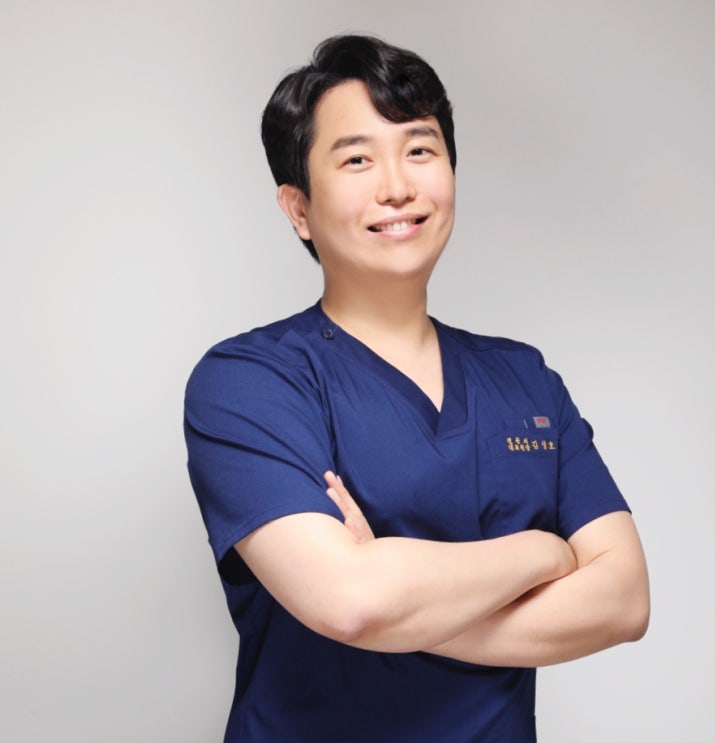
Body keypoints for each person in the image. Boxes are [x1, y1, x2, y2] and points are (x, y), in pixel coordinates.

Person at [184, 34, 650, 742]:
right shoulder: (250, 382)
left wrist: (401, 600)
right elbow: (351, 602)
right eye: (357, 159)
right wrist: (544, 552)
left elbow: (624, 599)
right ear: (298, 207)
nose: (397, 186)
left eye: (420, 149)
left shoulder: (524, 378)